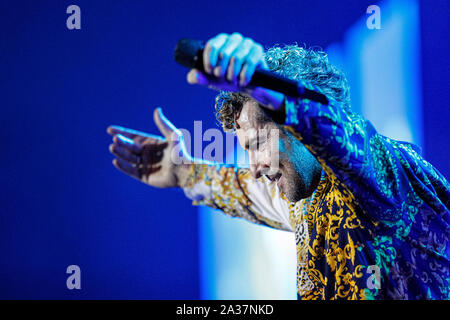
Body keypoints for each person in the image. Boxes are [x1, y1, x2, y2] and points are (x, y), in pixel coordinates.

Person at [107, 32, 450, 299]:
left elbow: (341, 134)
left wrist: (274, 92)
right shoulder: (301, 200)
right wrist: (183, 171)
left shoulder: (388, 174)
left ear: (296, 126)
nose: (255, 167)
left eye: (258, 144)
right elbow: (244, 190)